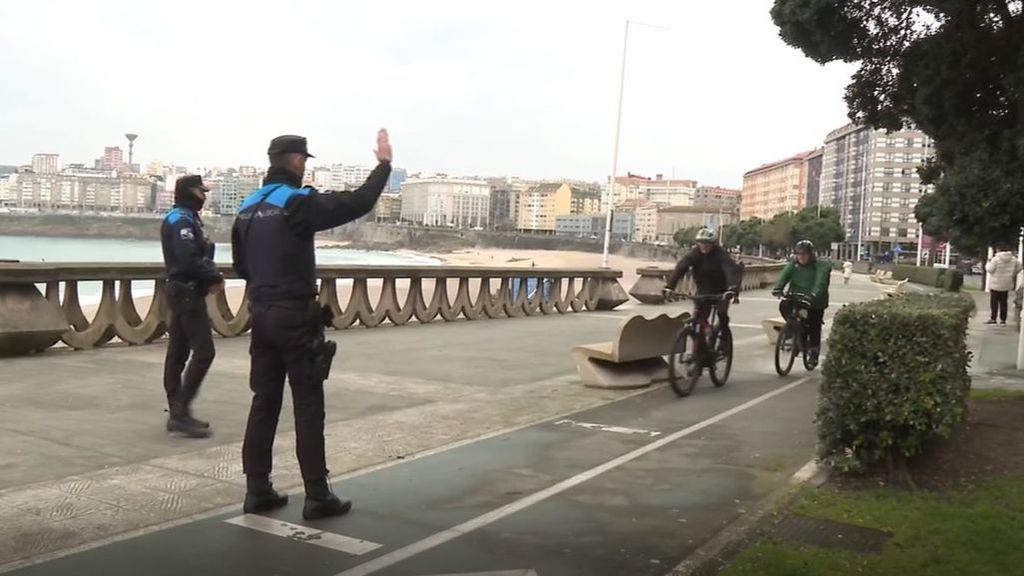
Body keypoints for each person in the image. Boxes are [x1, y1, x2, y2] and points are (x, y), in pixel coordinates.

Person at [232, 131, 392, 519]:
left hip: (261, 313)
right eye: (305, 161)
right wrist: (383, 165)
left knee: (264, 401)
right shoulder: (297, 202)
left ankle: (258, 490)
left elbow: (241, 267)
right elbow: (356, 202)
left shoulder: (246, 209)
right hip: (294, 314)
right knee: (307, 403)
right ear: (297, 162)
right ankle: (317, 495)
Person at [160, 175, 224, 439]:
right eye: (201, 191)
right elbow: (188, 259)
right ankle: (180, 410)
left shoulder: (188, 217)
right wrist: (213, 276)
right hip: (186, 291)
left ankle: (178, 409)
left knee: (178, 350)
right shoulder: (181, 220)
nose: (205, 195)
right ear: (189, 192)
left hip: (184, 290)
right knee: (203, 351)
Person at [662, 228, 743, 330]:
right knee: (699, 318)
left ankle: (724, 336)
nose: (703, 246)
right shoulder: (694, 254)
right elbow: (681, 268)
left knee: (722, 314)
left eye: (707, 243)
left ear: (713, 244)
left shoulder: (720, 254)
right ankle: (701, 340)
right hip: (703, 290)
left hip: (721, 291)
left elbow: (730, 270)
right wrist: (670, 286)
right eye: (701, 243)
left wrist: (732, 288)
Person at [771, 240, 831, 364]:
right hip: (796, 296)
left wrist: (814, 294)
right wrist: (778, 288)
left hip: (815, 300)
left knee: (814, 324)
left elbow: (820, 282)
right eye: (798, 254)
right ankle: (793, 330)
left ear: (811, 254)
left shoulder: (820, 265)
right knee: (784, 305)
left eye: (804, 254)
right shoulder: (794, 264)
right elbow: (784, 276)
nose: (801, 257)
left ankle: (813, 352)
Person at [984, 245, 1021, 325]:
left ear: (998, 249)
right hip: (1006, 283)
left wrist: (988, 262)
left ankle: (993, 319)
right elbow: (1020, 267)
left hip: (995, 283)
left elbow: (990, 269)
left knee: (994, 302)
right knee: (1004, 302)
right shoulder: (1013, 259)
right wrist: (1013, 274)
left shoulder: (995, 259)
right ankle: (1003, 320)